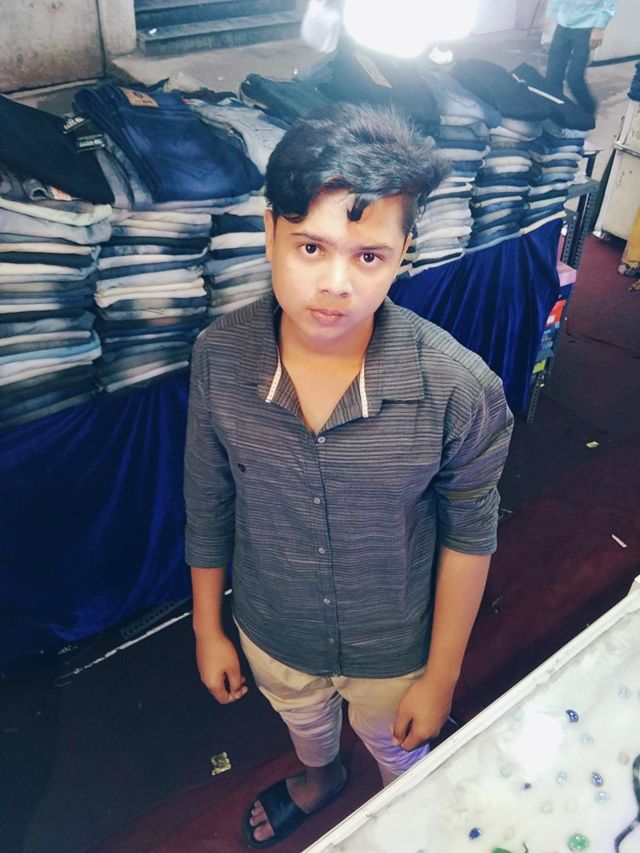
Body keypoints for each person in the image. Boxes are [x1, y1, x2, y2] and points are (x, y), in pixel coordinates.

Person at [184, 102, 513, 848]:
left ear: (404, 253)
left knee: (403, 760)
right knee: (305, 723)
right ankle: (322, 775)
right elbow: (207, 496)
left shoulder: (459, 390)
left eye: (369, 257)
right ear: (269, 231)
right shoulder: (219, 358)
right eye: (310, 247)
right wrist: (208, 626)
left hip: (396, 648)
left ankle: (406, 811)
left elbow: (470, 533)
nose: (336, 284)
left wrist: (440, 676)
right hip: (273, 629)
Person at [545, 0, 617, 115]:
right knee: (552, 75)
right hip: (563, 25)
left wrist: (599, 28)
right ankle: (556, 112)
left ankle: (589, 110)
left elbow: (609, 3)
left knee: (574, 78)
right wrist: (550, 15)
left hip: (586, 28)